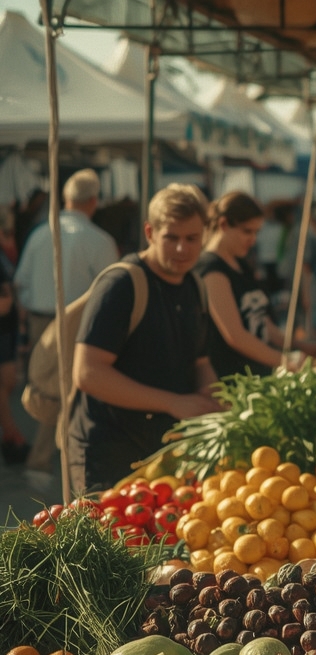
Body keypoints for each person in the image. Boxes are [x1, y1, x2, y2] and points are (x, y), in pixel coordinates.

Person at [66, 184, 221, 493]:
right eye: (171, 238)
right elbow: (88, 373)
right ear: (150, 232)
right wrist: (174, 403)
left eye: (192, 239)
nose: (182, 249)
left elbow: (200, 361)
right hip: (107, 452)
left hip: (163, 455)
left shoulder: (195, 286)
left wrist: (213, 399)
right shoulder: (121, 284)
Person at [14, 169, 118, 485]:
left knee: (48, 388)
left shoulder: (39, 233)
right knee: (65, 392)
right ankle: (48, 461)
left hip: (39, 319)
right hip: (78, 324)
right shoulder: (99, 240)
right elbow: (111, 290)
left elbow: (22, 282)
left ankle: (46, 461)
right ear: (93, 201)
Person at [196, 192, 311, 380]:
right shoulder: (211, 269)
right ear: (224, 224)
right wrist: (286, 362)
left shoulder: (240, 263)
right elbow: (235, 335)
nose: (253, 239)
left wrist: (301, 346)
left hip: (258, 376)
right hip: (233, 381)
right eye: (247, 231)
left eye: (256, 232)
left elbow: (263, 323)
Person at [0, 207, 29, 463]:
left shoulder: (4, 254)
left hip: (7, 331)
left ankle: (10, 435)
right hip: (4, 329)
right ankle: (12, 435)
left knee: (7, 383)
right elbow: (4, 303)